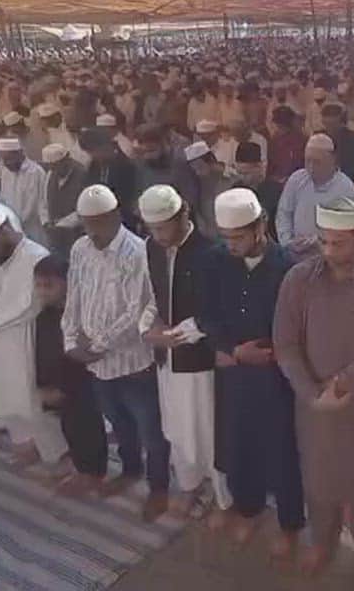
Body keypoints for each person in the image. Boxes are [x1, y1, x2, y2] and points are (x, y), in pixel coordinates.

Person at [274, 198, 354, 589]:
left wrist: (343, 385)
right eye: (324, 243)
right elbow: (285, 344)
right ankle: (321, 541)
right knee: (317, 480)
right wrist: (312, 394)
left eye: (340, 244)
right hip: (312, 406)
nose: (330, 252)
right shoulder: (298, 279)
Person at [198, 188, 306, 560]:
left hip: (278, 378)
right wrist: (231, 352)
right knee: (238, 442)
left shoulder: (289, 266)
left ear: (261, 225)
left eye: (239, 236)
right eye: (225, 237)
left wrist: (275, 355)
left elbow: (299, 327)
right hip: (235, 373)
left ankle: (290, 524)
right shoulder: (214, 261)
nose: (231, 245)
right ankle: (248, 508)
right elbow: (206, 316)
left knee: (282, 450)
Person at [62, 185, 170, 520]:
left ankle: (159, 487)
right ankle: (130, 470)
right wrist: (70, 340)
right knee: (119, 423)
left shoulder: (138, 252)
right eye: (86, 223)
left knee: (151, 430)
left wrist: (98, 347)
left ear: (115, 217)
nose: (92, 231)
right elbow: (74, 295)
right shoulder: (80, 249)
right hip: (97, 364)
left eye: (99, 223)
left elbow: (138, 311)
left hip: (133, 361)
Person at [136, 185, 232, 520]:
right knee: (177, 428)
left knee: (208, 431)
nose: (158, 235)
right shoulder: (151, 248)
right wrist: (147, 330)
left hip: (200, 361)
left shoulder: (211, 252)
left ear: (183, 216)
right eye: (152, 228)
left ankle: (224, 501)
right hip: (167, 359)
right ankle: (190, 486)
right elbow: (153, 296)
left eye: (163, 227)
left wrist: (175, 335)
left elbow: (219, 311)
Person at [0, 205, 67, 466]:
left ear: (4, 230)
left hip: (24, 339)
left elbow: (31, 304)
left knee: (31, 401)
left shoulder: (36, 256)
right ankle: (23, 444)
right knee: (3, 397)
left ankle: (57, 456)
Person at [32, 253, 108, 494]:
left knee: (87, 428)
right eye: (39, 285)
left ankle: (92, 474)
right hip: (57, 387)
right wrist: (43, 385)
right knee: (70, 428)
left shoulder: (84, 315)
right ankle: (80, 467)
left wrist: (62, 388)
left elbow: (80, 359)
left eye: (49, 285)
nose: (42, 292)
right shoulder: (45, 315)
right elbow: (42, 351)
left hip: (80, 387)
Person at [276, 133, 354, 256]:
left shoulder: (345, 188)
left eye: (317, 162)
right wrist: (288, 241)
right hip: (295, 255)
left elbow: (346, 231)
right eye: (308, 161)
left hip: (329, 258)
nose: (311, 167)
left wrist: (319, 242)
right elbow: (284, 213)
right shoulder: (297, 179)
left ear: (333, 160)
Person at [0, 137, 48, 247]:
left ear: (19, 154)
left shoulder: (35, 172)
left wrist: (17, 224)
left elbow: (34, 204)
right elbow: (3, 197)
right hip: (12, 227)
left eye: (9, 159)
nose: (6, 163)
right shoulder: (6, 171)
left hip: (32, 228)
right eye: (3, 159)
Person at [184, 141, 236, 238]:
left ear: (211, 160)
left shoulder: (234, 178)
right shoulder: (198, 184)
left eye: (199, 167)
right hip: (210, 239)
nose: (198, 173)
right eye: (194, 170)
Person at [230, 142, 281, 238]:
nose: (242, 177)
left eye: (246, 173)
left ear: (259, 167)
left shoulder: (275, 190)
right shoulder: (236, 189)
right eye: (239, 173)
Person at [319, 103, 354, 184]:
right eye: (326, 125)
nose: (329, 128)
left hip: (346, 183)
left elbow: (352, 169)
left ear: (342, 122)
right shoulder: (318, 137)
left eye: (332, 125)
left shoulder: (352, 138)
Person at [266, 106, 307, 183]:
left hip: (297, 180)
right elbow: (271, 165)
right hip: (277, 181)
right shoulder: (274, 140)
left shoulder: (301, 140)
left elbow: (301, 164)